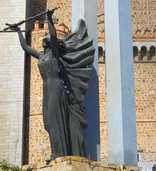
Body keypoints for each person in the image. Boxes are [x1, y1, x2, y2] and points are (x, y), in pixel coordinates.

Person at [8, 9, 94, 159]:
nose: (43, 38)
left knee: (54, 121)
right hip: (47, 89)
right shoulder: (42, 56)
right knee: (48, 122)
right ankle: (57, 152)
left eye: (45, 37)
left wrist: (49, 19)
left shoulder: (54, 54)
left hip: (56, 88)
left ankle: (58, 154)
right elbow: (26, 48)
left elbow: (54, 35)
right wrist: (18, 31)